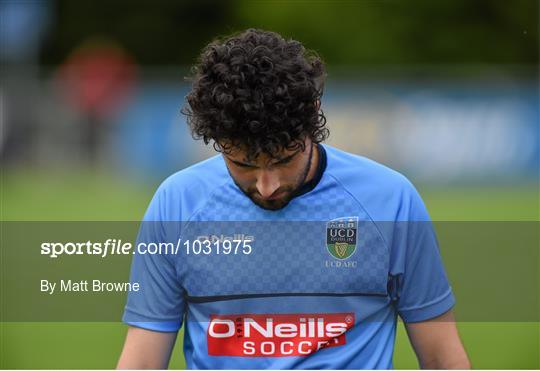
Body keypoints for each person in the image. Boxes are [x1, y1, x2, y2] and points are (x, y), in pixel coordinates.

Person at [117, 29, 470, 369]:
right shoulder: (177, 204)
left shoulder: (391, 201)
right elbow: (143, 360)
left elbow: (442, 359)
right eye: (242, 164)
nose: (267, 186)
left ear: (312, 118)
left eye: (284, 160)